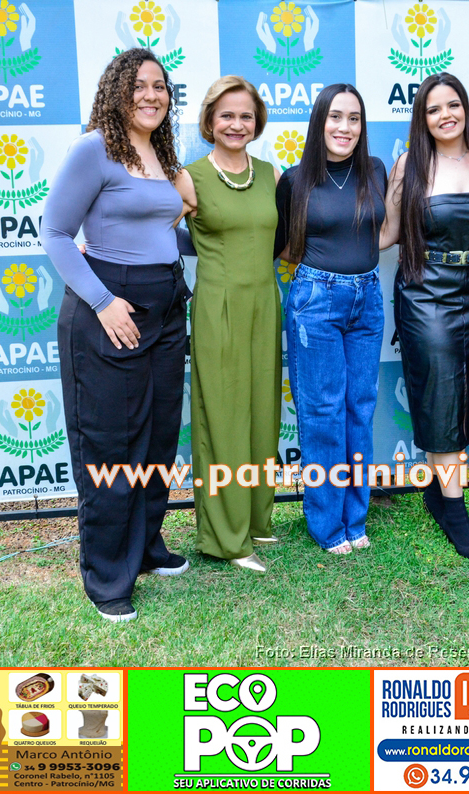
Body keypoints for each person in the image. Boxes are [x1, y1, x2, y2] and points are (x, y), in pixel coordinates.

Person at [42, 48, 191, 622]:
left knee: (156, 439)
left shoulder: (160, 152)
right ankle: (106, 576)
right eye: (139, 85)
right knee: (111, 445)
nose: (152, 95)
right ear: (117, 90)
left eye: (160, 86)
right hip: (112, 308)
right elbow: (55, 232)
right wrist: (103, 302)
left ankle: (146, 547)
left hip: (165, 307)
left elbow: (160, 223)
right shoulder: (94, 148)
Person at [382, 72, 469, 562]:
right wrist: (320, 237)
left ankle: (439, 495)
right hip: (425, 293)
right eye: (434, 109)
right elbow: (388, 233)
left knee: (463, 392)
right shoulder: (408, 166)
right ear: (423, 118)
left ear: (465, 109)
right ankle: (456, 512)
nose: (445, 115)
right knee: (440, 392)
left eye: (452, 105)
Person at [273, 84, 388, 554]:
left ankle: (355, 519)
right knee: (322, 412)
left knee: (360, 407)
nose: (345, 127)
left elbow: (379, 229)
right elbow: (281, 245)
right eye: (335, 117)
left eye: (354, 119)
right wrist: (321, 272)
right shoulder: (294, 180)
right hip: (316, 301)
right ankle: (326, 523)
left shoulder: (375, 171)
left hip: (369, 299)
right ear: (319, 122)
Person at [175, 76, 282, 573]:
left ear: (257, 122)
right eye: (227, 115)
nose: (237, 124)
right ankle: (226, 537)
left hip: (265, 303)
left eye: (246, 116)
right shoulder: (189, 177)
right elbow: (152, 229)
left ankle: (256, 518)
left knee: (261, 413)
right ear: (209, 122)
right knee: (223, 418)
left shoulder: (271, 174)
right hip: (218, 308)